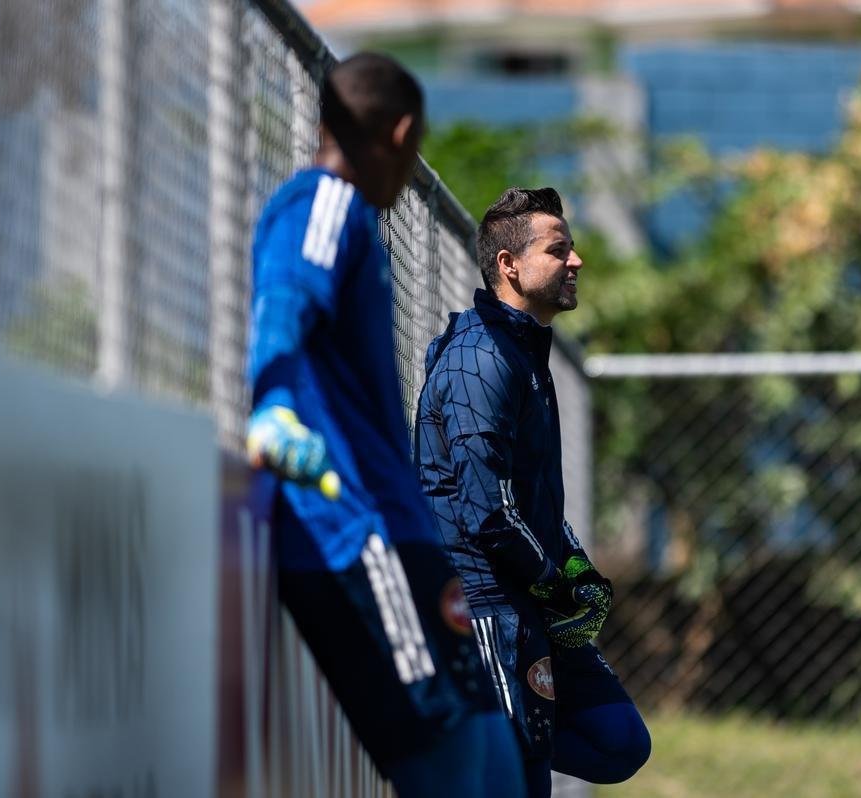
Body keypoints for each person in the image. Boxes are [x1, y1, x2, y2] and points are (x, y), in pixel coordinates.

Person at [245, 53, 523, 797]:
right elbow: (284, 301)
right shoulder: (323, 203)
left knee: (496, 760)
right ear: (402, 134)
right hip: (356, 534)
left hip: (403, 538)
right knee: (451, 764)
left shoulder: (355, 222)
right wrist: (272, 403)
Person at [415, 187, 651, 798]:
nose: (576, 261)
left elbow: (532, 497)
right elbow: (487, 510)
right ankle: (471, 737)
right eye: (558, 249)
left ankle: (504, 738)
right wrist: (554, 580)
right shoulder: (481, 358)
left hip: (528, 596)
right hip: (486, 601)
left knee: (621, 741)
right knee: (518, 777)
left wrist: (575, 566)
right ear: (509, 265)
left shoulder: (523, 351)